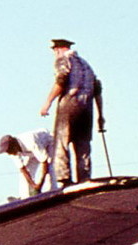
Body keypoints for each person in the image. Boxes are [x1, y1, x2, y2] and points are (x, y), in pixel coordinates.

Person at [40, 38, 101, 187]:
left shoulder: (63, 60)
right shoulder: (87, 65)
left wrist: (48, 102)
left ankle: (64, 178)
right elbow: (97, 90)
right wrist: (101, 115)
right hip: (87, 108)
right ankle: (84, 178)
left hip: (69, 105)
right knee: (83, 146)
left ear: (58, 49)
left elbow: (61, 80)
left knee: (61, 142)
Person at [0, 131, 56, 197]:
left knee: (50, 166)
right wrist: (33, 185)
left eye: (8, 150)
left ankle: (52, 192)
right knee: (26, 172)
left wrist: (40, 184)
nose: (8, 153)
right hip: (32, 152)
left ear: (14, 145)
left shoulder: (30, 141)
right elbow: (23, 169)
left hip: (49, 143)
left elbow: (44, 162)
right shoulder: (12, 152)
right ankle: (25, 197)